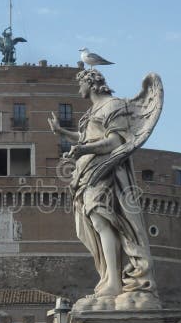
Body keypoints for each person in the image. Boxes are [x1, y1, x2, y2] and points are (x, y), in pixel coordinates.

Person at [48, 68, 161, 306]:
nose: (79, 89)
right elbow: (87, 139)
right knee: (94, 226)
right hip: (87, 173)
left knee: (104, 221)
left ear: (91, 83)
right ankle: (109, 276)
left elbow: (115, 141)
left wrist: (84, 150)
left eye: (81, 83)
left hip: (105, 171)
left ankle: (114, 282)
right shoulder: (93, 112)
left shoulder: (113, 105)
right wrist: (62, 133)